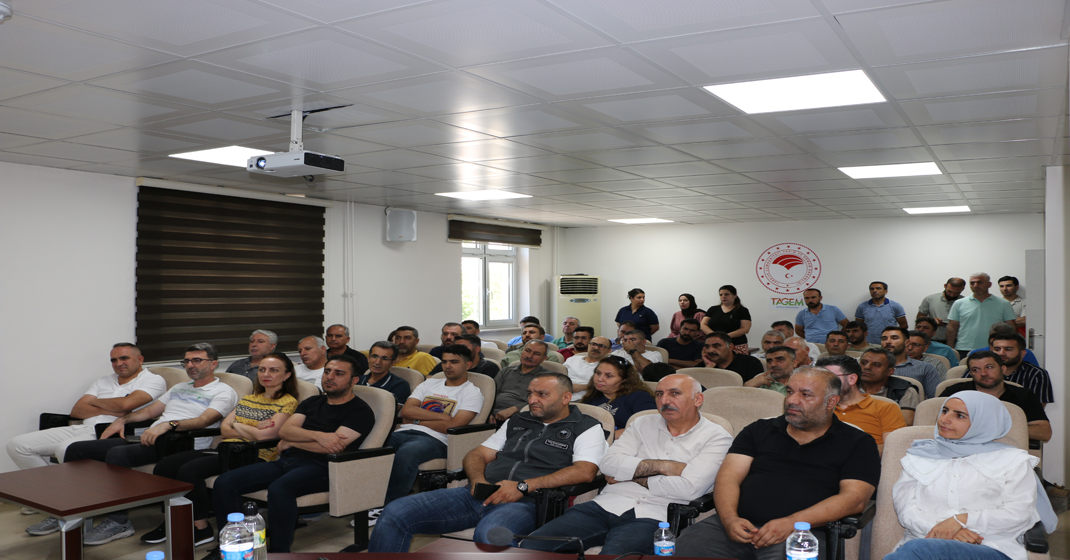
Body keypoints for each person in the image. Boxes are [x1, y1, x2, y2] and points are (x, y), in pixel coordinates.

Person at [368, 373, 608, 552]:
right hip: (478, 493)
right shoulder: (518, 420)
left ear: (566, 398)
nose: (532, 400)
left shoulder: (585, 426)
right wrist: (477, 480)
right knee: (394, 513)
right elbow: (477, 454)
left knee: (491, 535)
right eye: (530, 394)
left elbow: (585, 472)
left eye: (542, 395)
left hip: (528, 502)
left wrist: (523, 486)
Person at [675, 368, 880, 560]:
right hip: (737, 526)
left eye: (805, 395)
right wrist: (730, 519)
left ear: (831, 401)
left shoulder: (858, 442)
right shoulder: (759, 430)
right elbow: (728, 478)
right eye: (789, 391)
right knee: (686, 547)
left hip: (804, 532)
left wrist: (791, 523)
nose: (792, 400)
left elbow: (855, 499)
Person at [520, 374, 733, 555]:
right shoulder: (641, 423)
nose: (664, 401)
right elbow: (608, 464)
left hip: (656, 516)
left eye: (674, 393)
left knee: (614, 556)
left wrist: (630, 474)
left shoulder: (717, 437)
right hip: (604, 505)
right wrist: (665, 466)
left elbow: (689, 489)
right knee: (530, 547)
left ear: (698, 399)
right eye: (659, 394)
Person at [60, 343, 238, 546]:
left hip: (182, 442)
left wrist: (168, 425)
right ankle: (71, 511)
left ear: (213, 364)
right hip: (153, 437)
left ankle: (119, 521)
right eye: (187, 361)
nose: (190, 365)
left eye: (197, 360)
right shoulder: (180, 387)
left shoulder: (223, 391)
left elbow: (204, 421)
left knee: (118, 454)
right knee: (77, 449)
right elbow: (149, 411)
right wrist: (123, 420)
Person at [210, 354, 376, 554]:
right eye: (327, 372)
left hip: (325, 468)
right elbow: (285, 431)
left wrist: (293, 441)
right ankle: (234, 546)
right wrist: (318, 436)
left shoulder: (360, 411)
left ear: (354, 380)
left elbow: (332, 448)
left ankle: (279, 553)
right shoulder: (312, 402)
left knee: (280, 489)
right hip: (288, 461)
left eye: (339, 373)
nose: (330, 377)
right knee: (225, 482)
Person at [141, 352, 300, 546]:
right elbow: (224, 429)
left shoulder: (288, 402)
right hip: (226, 449)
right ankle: (172, 521)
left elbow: (265, 436)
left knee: (190, 471)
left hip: (253, 454)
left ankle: (201, 527)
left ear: (286, 375)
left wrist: (237, 425)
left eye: (274, 370)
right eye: (262, 369)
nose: (266, 374)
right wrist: (247, 427)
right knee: (165, 466)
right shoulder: (249, 398)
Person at [11, 343, 166, 528]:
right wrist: (116, 406)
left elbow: (127, 406)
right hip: (82, 427)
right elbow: (77, 410)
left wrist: (97, 402)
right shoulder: (103, 381)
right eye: (114, 360)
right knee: (17, 445)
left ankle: (69, 506)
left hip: (109, 432)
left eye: (124, 358)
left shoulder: (153, 380)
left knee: (66, 449)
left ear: (140, 359)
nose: (118, 363)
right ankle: (49, 497)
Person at [885, 392, 1054, 560]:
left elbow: (1019, 512)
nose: (944, 419)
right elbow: (906, 509)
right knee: (918, 549)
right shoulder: (919, 457)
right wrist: (944, 530)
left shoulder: (1012, 460)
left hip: (990, 546)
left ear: (983, 421)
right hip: (924, 542)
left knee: (915, 550)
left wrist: (963, 520)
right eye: (945, 411)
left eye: (959, 415)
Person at [381, 345, 484, 515]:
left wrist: (417, 420)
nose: (447, 366)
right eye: (444, 361)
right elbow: (406, 411)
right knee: (374, 450)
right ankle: (368, 501)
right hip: (403, 431)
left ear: (468, 365)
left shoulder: (472, 393)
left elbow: (453, 426)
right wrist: (443, 417)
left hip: (437, 440)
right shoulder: (429, 383)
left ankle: (387, 508)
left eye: (454, 362)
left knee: (407, 454)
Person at [939, 351, 1051, 445]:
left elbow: (1044, 433)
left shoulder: (1023, 395)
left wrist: (993, 428)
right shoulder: (954, 393)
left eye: (989, 367)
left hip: (1007, 450)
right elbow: (937, 424)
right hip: (958, 448)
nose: (983, 373)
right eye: (976, 370)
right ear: (971, 374)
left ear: (1003, 369)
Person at [816, 354, 906, 454]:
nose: (823, 384)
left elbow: (893, 449)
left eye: (830, 378)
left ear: (852, 379)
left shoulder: (886, 408)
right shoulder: (816, 407)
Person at [580, 356, 656, 439]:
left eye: (609, 376)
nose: (600, 379)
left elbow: (648, 427)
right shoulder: (592, 396)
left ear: (624, 379)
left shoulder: (639, 397)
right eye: (598, 373)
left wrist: (603, 438)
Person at [947, 273, 1017, 357]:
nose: (975, 285)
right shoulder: (959, 303)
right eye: (972, 283)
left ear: (989, 284)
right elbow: (952, 328)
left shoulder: (1004, 303)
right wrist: (950, 348)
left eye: (979, 282)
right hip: (964, 348)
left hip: (994, 348)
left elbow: (1011, 327)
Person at [976, 332, 1053, 407]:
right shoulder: (979, 371)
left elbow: (1036, 409)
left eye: (1008, 349)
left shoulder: (1036, 374)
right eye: (997, 349)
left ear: (1022, 353)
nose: (1001, 353)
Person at [493, 340, 553, 421]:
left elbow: (543, 401)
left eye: (536, 354)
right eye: (527, 351)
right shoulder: (506, 371)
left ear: (544, 358)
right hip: (493, 415)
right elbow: (491, 394)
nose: (529, 356)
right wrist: (488, 413)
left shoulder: (547, 377)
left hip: (523, 416)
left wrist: (515, 409)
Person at [858, 348, 920, 426]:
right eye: (863, 363)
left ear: (890, 371)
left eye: (876, 365)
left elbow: (905, 424)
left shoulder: (904, 390)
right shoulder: (847, 385)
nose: (867, 367)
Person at [882, 327, 941, 399]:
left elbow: (936, 399)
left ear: (906, 342)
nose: (888, 342)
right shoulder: (871, 366)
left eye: (894, 338)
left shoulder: (925, 368)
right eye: (884, 339)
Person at [356, 341, 411, 405]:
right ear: (368, 358)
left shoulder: (400, 385)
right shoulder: (356, 380)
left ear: (392, 363)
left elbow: (391, 410)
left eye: (385, 358)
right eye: (374, 356)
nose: (378, 362)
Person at [701, 285, 752, 354]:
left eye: (726, 294)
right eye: (721, 295)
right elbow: (703, 325)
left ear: (735, 295)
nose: (723, 296)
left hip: (736, 344)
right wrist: (715, 336)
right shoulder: (713, 309)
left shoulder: (742, 310)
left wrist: (724, 337)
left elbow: (745, 329)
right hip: (714, 344)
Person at [916, 278, 966, 344]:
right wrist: (932, 321)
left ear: (962, 289)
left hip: (956, 341)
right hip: (932, 340)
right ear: (945, 286)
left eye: (957, 293)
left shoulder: (965, 302)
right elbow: (919, 318)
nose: (952, 295)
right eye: (949, 291)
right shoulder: (930, 299)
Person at [564, 335, 613, 401]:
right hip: (562, 397)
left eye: (601, 346)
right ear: (588, 345)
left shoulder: (608, 366)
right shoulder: (572, 359)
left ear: (608, 351)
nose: (596, 348)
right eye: (593, 344)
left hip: (587, 400)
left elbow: (609, 386)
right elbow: (559, 377)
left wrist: (582, 387)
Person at [430, 334, 500, 378]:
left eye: (463, 347)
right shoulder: (447, 364)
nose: (458, 350)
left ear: (477, 349)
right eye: (456, 347)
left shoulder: (489, 368)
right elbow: (429, 378)